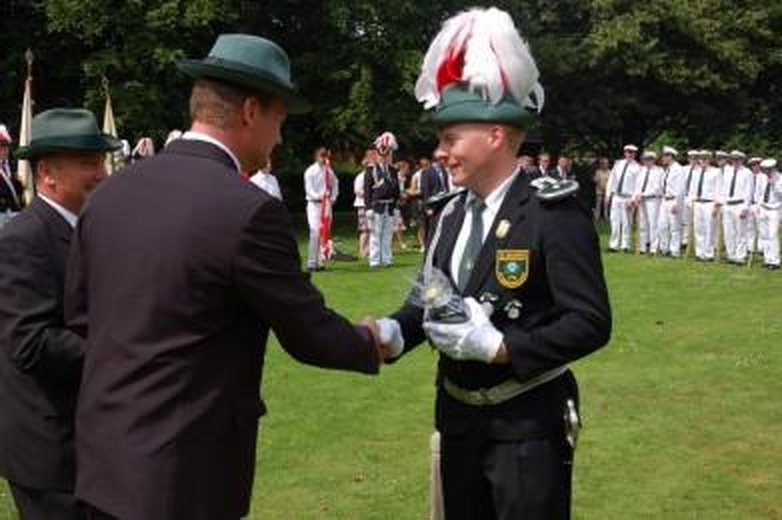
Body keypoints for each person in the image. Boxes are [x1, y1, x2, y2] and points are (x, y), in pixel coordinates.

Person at [64, 34, 387, 520]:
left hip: (103, 466)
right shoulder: (247, 210)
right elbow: (307, 331)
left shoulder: (109, 194)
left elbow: (80, 318)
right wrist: (372, 341)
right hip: (183, 476)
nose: (280, 139)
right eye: (280, 120)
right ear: (252, 111)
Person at [373, 8, 611, 519]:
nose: (439, 152)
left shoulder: (553, 212)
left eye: (450, 138)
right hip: (458, 419)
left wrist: (505, 348)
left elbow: (590, 322)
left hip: (526, 431)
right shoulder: (450, 212)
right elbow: (433, 298)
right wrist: (396, 331)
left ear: (496, 135)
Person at [0, 108, 119, 520]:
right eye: (88, 163)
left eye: (101, 161)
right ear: (47, 173)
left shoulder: (88, 229)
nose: (101, 174)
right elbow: (31, 343)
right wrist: (120, 350)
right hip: (50, 450)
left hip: (90, 441)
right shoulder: (24, 239)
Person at [364, 131, 400, 267]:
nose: (385, 158)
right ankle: (374, 260)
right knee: (375, 234)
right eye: (382, 155)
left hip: (389, 206)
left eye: (387, 155)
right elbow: (367, 190)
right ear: (378, 155)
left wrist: (396, 206)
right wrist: (368, 208)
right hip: (376, 205)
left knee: (387, 234)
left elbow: (396, 191)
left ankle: (386, 259)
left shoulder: (392, 170)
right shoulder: (371, 170)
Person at [303, 146, 338, 271]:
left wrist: (333, 197)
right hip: (314, 204)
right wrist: (319, 196)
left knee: (324, 233)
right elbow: (309, 189)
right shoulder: (310, 171)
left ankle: (320, 261)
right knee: (315, 232)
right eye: (321, 156)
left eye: (325, 156)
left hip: (326, 204)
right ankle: (312, 262)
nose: (323, 159)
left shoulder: (328, 171)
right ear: (316, 157)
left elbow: (335, 183)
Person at [719, 150, 753, 264]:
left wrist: (745, 207)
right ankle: (731, 254)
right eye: (733, 159)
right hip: (728, 204)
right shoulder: (727, 171)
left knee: (741, 232)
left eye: (737, 159)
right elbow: (723, 189)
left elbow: (748, 191)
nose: (735, 161)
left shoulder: (747, 173)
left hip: (740, 204)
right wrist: (722, 204)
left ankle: (740, 256)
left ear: (742, 160)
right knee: (728, 232)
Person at [687, 150, 722, 260]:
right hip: (697, 202)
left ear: (709, 160)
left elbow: (719, 189)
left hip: (709, 202)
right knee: (698, 229)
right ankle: (699, 252)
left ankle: (709, 253)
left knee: (709, 229)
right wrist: (690, 202)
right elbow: (692, 189)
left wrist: (716, 204)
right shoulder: (695, 172)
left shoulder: (716, 172)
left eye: (705, 158)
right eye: (701, 159)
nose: (703, 161)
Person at [606, 144, 640, 252]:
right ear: (624, 153)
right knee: (614, 221)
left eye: (632, 152)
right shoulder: (618, 164)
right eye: (628, 152)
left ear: (635, 154)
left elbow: (638, 185)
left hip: (627, 197)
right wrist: (608, 194)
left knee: (626, 222)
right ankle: (613, 245)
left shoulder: (637, 167)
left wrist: (633, 199)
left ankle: (625, 245)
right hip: (616, 196)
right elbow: (611, 179)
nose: (629, 154)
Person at [654, 146, 686, 256]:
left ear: (670, 156)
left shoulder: (678, 169)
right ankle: (664, 248)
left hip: (673, 200)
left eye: (664, 156)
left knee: (674, 227)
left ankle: (674, 250)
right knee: (662, 225)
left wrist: (677, 203)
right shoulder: (666, 170)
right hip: (665, 200)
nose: (663, 158)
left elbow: (680, 188)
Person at [633, 150, 663, 254]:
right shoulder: (641, 171)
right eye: (646, 159)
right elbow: (637, 186)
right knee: (642, 224)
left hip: (653, 199)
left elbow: (657, 188)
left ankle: (654, 247)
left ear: (654, 160)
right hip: (641, 200)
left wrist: (643, 194)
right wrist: (635, 197)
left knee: (653, 223)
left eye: (650, 159)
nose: (647, 161)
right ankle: (642, 246)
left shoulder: (659, 171)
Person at [755, 159, 781, 269]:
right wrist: (758, 206)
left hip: (774, 209)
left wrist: (774, 184)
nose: (767, 172)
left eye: (769, 170)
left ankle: (774, 261)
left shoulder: (780, 178)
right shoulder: (761, 177)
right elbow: (758, 193)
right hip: (763, 208)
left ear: (774, 168)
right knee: (764, 235)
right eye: (765, 170)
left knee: (772, 235)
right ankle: (767, 258)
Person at [1, 124, 23, 226]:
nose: (5, 150)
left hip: (15, 211)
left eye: (6, 147)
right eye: (2, 147)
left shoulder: (12, 165)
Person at [593, 157, 610, 222]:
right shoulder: (598, 172)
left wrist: (607, 189)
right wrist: (601, 187)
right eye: (604, 163)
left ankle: (606, 218)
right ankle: (597, 218)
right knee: (598, 206)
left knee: (606, 206)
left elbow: (611, 182)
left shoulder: (609, 172)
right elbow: (595, 181)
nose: (605, 165)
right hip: (599, 191)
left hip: (607, 192)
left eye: (606, 163)